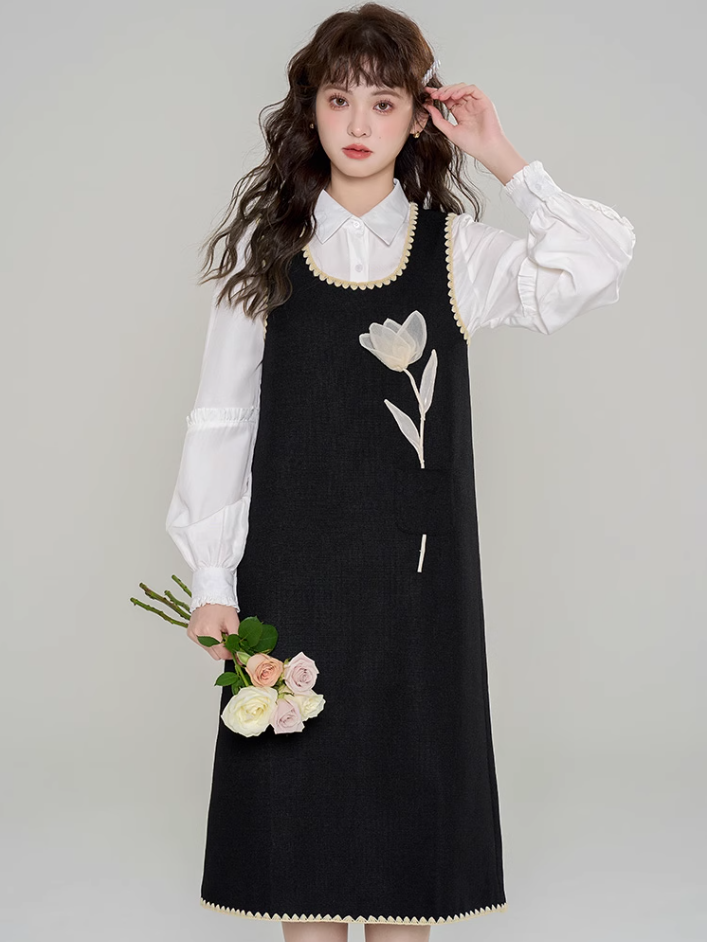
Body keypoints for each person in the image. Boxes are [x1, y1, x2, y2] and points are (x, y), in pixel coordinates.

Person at [165, 3, 636, 939]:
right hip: (294, 584)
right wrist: (212, 580)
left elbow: (597, 263)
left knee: (404, 852)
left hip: (420, 594)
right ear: (310, 109)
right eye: (338, 100)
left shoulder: (457, 253)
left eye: (383, 103)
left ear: (419, 117)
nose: (357, 124)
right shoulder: (265, 256)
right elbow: (222, 418)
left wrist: (501, 156)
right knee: (300, 852)